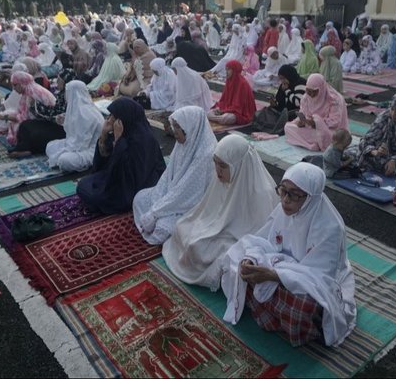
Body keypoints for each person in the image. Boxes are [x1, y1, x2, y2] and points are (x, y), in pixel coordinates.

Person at [221, 162, 356, 347]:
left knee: (304, 307)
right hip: (284, 268)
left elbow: (321, 277)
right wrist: (251, 259)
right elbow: (265, 241)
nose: (285, 199)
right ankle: (275, 315)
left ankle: (290, 323)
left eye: (294, 194)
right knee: (237, 263)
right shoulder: (283, 210)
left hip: (313, 278)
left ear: (310, 197)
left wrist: (275, 275)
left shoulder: (330, 227)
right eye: (283, 190)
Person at [162, 134, 278, 290]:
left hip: (235, 238)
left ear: (238, 165)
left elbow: (256, 236)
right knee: (181, 227)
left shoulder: (260, 192)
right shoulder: (223, 178)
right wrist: (206, 228)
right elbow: (207, 211)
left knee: (200, 247)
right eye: (215, 163)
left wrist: (212, 233)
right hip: (217, 227)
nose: (217, 170)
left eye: (223, 166)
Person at [133, 106, 217, 244]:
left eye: (178, 127)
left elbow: (187, 192)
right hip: (172, 197)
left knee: (163, 228)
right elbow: (167, 177)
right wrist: (157, 201)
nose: (174, 131)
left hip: (191, 204)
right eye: (174, 126)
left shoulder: (206, 153)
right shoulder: (182, 144)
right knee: (140, 198)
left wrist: (155, 212)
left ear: (191, 128)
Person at [77, 98, 165, 214]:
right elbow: (102, 165)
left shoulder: (143, 139)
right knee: (83, 184)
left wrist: (119, 142)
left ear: (125, 117)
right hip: (117, 179)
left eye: (115, 116)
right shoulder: (123, 131)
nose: (111, 119)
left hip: (136, 185)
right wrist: (103, 136)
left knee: (95, 195)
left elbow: (133, 176)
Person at [0, 71, 58, 155]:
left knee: (22, 126)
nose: (13, 88)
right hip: (42, 121)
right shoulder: (28, 90)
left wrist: (3, 117)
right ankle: (23, 147)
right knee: (16, 122)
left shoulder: (32, 93)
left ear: (22, 83)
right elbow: (22, 113)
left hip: (49, 124)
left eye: (15, 85)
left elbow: (26, 117)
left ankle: (25, 149)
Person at [46, 80, 104, 172]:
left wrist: (65, 150)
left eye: (67, 92)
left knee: (64, 161)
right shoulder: (79, 108)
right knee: (50, 146)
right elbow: (74, 132)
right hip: (75, 145)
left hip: (90, 150)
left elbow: (81, 144)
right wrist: (63, 121)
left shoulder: (85, 113)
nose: (65, 95)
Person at [285, 73, 348, 151]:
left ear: (321, 88)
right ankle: (311, 144)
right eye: (308, 91)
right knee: (288, 127)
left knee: (318, 120)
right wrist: (300, 122)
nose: (311, 94)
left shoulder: (334, 99)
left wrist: (316, 123)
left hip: (330, 132)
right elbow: (303, 114)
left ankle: (314, 143)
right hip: (312, 130)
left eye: (314, 91)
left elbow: (335, 122)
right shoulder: (306, 98)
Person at [253, 64, 307, 134]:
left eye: (283, 78)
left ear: (289, 76)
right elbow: (280, 102)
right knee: (262, 114)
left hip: (294, 114)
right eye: (281, 79)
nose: (282, 81)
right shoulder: (284, 85)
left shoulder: (300, 83)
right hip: (283, 112)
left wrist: (287, 90)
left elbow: (298, 103)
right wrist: (274, 104)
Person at [208, 60, 256, 125]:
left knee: (227, 118)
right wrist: (219, 108)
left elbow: (239, 107)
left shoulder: (243, 84)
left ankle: (218, 118)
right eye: (226, 70)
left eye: (228, 70)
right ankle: (218, 118)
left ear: (235, 70)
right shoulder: (229, 81)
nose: (226, 72)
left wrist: (224, 111)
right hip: (227, 109)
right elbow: (223, 100)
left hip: (239, 113)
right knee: (209, 113)